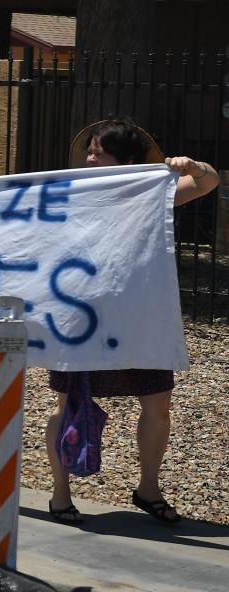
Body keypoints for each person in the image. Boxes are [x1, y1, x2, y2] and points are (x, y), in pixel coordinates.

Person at [46, 117, 219, 525]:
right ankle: (59, 493)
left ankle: (148, 488)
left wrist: (192, 165)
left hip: (140, 316)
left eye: (98, 152)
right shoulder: (69, 194)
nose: (88, 158)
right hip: (83, 318)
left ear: (124, 160)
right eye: (89, 151)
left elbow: (209, 182)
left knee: (158, 405)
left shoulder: (150, 194)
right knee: (67, 404)